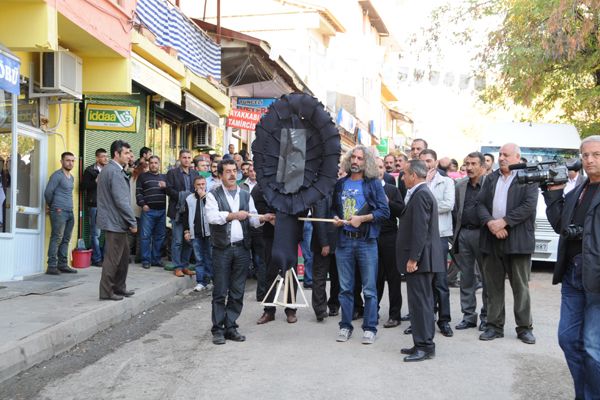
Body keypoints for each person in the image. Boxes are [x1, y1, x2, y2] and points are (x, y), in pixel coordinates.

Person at [543, 135, 600, 399]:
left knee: (592, 346)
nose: (589, 160)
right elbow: (561, 227)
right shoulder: (579, 190)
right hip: (573, 275)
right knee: (568, 340)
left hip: (596, 278)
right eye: (585, 155)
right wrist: (553, 193)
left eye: (596, 154)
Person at [205, 159, 272, 345]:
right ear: (220, 175)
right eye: (227, 171)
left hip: (242, 249)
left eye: (234, 171)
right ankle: (218, 329)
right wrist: (234, 215)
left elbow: (251, 218)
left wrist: (263, 218)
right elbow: (212, 217)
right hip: (222, 249)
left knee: (237, 291)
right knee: (220, 291)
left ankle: (231, 326)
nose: (232, 174)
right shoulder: (213, 195)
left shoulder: (245, 195)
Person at [477, 143, 538, 344]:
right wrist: (491, 224)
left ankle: (524, 328)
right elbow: (480, 204)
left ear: (517, 157)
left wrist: (504, 222)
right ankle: (494, 326)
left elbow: (528, 206)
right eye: (500, 154)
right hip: (491, 238)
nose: (502, 158)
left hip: (518, 240)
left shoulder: (527, 177)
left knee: (520, 287)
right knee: (493, 286)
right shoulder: (491, 177)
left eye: (506, 155)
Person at [332, 145, 390, 345]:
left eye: (360, 158)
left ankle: (370, 328)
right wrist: (336, 218)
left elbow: (384, 212)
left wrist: (362, 218)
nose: (356, 161)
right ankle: (345, 326)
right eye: (353, 157)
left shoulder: (373, 184)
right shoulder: (340, 184)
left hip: (366, 242)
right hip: (344, 241)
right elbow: (333, 209)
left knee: (369, 289)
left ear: (367, 163)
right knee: (345, 288)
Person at [396, 159, 444, 362]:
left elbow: (420, 231)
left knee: (422, 304)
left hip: (421, 261)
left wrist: (413, 258)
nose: (403, 177)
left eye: (405, 174)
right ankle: (420, 343)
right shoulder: (419, 193)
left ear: (413, 175)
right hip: (422, 260)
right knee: (418, 304)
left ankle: (425, 347)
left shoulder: (421, 194)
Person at [419, 149, 455, 337]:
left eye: (429, 160)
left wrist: (426, 206)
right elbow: (410, 204)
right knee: (423, 281)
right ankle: (425, 320)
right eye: (423, 161)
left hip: (440, 236)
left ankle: (444, 320)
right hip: (420, 237)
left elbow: (448, 204)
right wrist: (424, 184)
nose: (426, 164)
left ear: (435, 162)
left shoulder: (447, 181)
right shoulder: (417, 182)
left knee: (440, 282)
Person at [452, 152, 488, 331]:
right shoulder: (460, 185)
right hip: (464, 234)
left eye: (474, 163)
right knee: (466, 277)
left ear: (483, 166)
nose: (469, 167)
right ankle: (468, 316)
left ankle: (487, 317)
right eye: (467, 164)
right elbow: (456, 211)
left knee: (487, 277)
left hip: (484, 235)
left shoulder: (491, 184)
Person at [97, 140, 137, 301]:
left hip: (117, 222)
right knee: (113, 259)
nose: (129, 156)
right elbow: (121, 201)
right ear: (117, 154)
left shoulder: (113, 170)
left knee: (123, 257)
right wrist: (132, 222)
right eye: (126, 153)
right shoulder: (114, 171)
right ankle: (107, 291)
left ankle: (119, 288)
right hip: (115, 222)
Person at [375, 158, 405, 328]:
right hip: (372, 237)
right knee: (375, 277)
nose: (379, 170)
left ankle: (395, 315)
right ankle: (373, 311)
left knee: (393, 278)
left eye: (381, 167)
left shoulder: (392, 189)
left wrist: (388, 202)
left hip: (390, 237)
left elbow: (401, 211)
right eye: (376, 167)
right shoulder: (367, 188)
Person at [44, 152, 78, 275]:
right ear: (62, 161)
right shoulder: (57, 176)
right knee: (57, 237)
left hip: (69, 211)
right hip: (59, 210)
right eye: (68, 160)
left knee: (66, 239)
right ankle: (52, 266)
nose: (70, 163)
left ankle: (62, 264)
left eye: (72, 161)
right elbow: (48, 192)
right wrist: (52, 206)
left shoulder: (72, 177)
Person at [166, 149, 198, 277]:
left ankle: (185, 265)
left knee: (189, 241)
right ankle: (177, 266)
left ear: (191, 159)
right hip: (177, 211)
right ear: (179, 158)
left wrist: (191, 197)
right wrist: (183, 196)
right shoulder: (172, 173)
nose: (186, 159)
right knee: (178, 240)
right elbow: (168, 189)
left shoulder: (195, 173)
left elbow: (199, 189)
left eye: (189, 157)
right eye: (184, 157)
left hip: (191, 212)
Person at [311, 194, 340, 321]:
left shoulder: (337, 189)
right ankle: (320, 309)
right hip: (324, 244)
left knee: (336, 277)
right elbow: (319, 220)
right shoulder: (321, 193)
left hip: (337, 242)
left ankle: (333, 305)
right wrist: (324, 244)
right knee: (320, 277)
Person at [136, 155, 167, 269]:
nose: (153, 165)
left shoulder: (164, 177)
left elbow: (169, 192)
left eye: (156, 163)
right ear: (149, 164)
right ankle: (146, 260)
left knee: (160, 236)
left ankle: (156, 259)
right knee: (145, 236)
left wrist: (166, 186)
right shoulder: (143, 176)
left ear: (159, 164)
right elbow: (138, 192)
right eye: (152, 163)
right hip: (148, 211)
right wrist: (143, 204)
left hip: (162, 211)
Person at [184, 176, 213, 292]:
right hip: (196, 233)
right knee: (199, 258)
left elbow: (212, 210)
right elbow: (186, 216)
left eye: (203, 184)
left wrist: (204, 198)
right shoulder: (189, 199)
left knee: (210, 256)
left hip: (209, 232)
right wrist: (187, 231)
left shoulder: (210, 197)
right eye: (198, 184)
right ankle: (201, 281)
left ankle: (210, 279)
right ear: (194, 186)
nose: (201, 186)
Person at [81, 148, 108, 266]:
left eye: (107, 156)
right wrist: (96, 181)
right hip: (94, 205)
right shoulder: (89, 171)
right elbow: (83, 186)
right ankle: (97, 259)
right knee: (96, 233)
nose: (106, 158)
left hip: (107, 206)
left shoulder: (109, 170)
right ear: (97, 158)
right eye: (103, 156)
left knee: (108, 233)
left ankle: (106, 257)